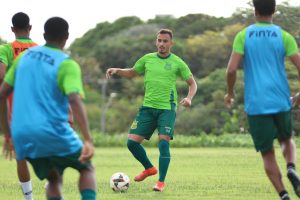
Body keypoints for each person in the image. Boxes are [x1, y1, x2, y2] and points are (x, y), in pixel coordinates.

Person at [0, 17, 97, 200]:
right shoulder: (66, 64)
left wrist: (8, 134)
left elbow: (2, 94)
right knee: (86, 167)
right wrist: (88, 139)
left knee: (53, 178)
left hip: (22, 134)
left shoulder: (23, 58)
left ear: (44, 35)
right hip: (52, 130)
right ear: (66, 37)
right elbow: (74, 100)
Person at [224, 0, 300, 199]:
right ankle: (291, 167)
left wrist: (230, 93)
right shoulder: (284, 36)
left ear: (255, 10)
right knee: (287, 140)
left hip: (256, 104)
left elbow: (231, 69)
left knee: (267, 153)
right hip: (281, 100)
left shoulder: (243, 35)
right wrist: (299, 95)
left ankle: (283, 194)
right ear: (274, 10)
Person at [106, 29, 197, 192]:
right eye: (159, 41)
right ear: (156, 42)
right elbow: (132, 72)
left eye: (165, 41)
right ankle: (149, 168)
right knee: (132, 143)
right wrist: (117, 70)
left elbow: (192, 83)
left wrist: (189, 98)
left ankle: (160, 181)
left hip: (167, 109)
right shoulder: (147, 59)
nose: (161, 44)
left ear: (171, 43)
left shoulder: (178, 62)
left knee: (163, 143)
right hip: (147, 108)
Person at [0, 12, 37, 200]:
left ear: (12, 29)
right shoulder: (40, 50)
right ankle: (53, 182)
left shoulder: (5, 49)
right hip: (40, 108)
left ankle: (28, 198)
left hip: (17, 109)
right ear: (30, 27)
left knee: (20, 155)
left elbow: (1, 75)